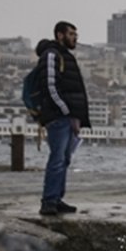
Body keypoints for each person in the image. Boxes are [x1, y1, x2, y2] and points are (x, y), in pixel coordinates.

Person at [35, 21, 91, 216]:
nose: (75, 37)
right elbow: (50, 86)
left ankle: (57, 198)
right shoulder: (51, 55)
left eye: (76, 34)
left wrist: (76, 117)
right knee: (57, 159)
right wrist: (66, 111)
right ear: (60, 35)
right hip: (59, 117)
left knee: (64, 159)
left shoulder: (66, 57)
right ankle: (49, 200)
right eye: (71, 34)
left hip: (68, 118)